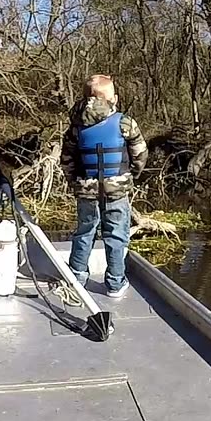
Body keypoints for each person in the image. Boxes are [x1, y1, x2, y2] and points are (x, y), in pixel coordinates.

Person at [60, 75, 148, 298]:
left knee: (84, 232)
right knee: (116, 234)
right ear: (114, 99)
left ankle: (77, 277)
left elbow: (67, 160)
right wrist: (131, 176)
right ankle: (115, 283)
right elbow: (140, 154)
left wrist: (74, 182)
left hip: (85, 188)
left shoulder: (75, 127)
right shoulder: (124, 122)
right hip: (117, 189)